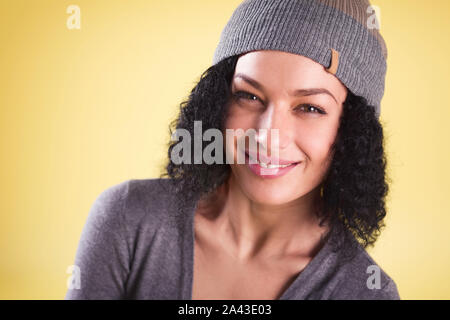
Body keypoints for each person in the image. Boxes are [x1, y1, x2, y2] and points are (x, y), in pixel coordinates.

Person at [65, 0, 400, 300]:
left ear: (352, 131)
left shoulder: (364, 292)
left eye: (310, 108)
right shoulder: (129, 220)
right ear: (216, 100)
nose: (268, 136)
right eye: (249, 96)